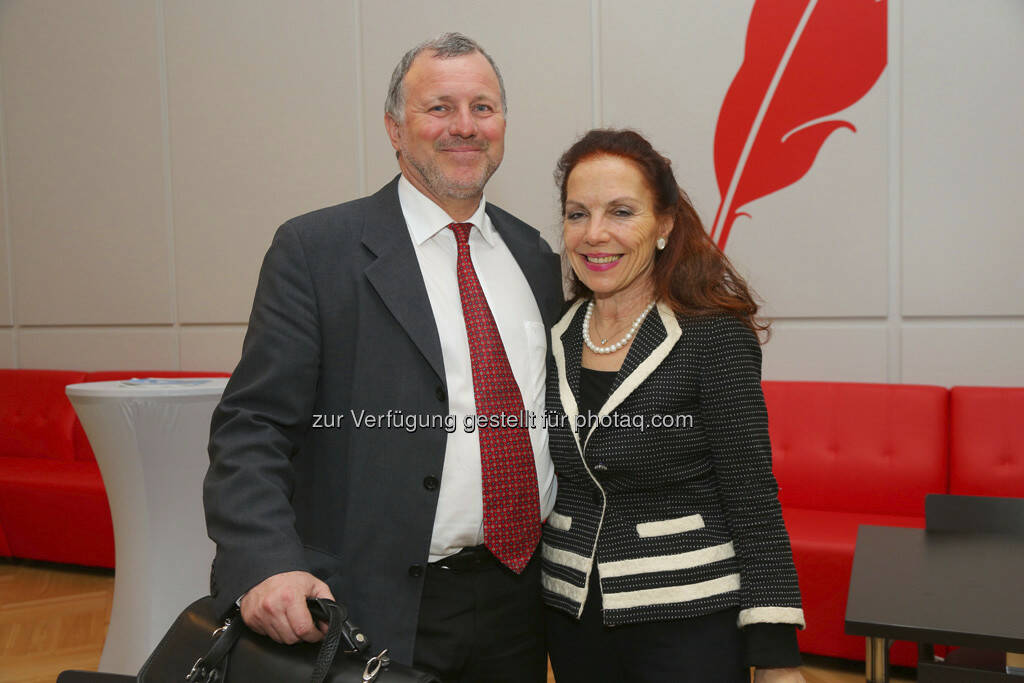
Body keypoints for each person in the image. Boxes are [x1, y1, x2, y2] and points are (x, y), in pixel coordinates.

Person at [203, 33, 562, 682]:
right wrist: (264, 560)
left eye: (483, 107)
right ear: (394, 129)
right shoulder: (317, 251)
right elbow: (252, 425)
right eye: (439, 108)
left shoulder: (536, 257)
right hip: (372, 605)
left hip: (521, 600)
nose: (464, 126)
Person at [541, 129, 806, 683]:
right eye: (576, 213)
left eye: (620, 211)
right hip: (571, 617)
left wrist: (776, 657)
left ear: (663, 226)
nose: (595, 234)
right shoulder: (552, 335)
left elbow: (752, 495)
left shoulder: (712, 336)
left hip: (690, 621)